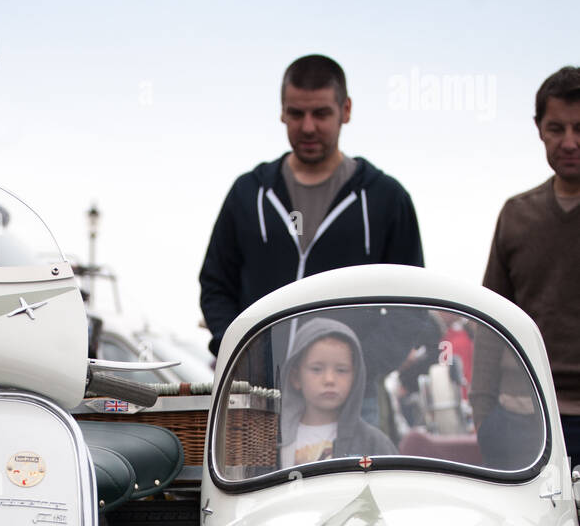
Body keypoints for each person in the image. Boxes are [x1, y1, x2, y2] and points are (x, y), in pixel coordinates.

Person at [199, 54, 424, 358]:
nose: (307, 127)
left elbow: (411, 306)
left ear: (345, 110)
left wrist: (359, 367)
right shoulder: (249, 193)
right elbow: (216, 285)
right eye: (296, 113)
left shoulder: (386, 199)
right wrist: (239, 352)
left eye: (320, 114)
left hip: (355, 400)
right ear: (282, 113)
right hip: (257, 392)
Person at [472, 66, 580, 463]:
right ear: (539, 128)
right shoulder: (517, 216)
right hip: (521, 419)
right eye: (557, 128)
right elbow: (489, 321)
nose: (569, 142)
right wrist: (483, 414)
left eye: (579, 127)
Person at [278, 316, 395, 465]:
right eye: (316, 369)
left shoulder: (374, 442)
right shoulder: (271, 441)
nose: (329, 379)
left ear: (355, 377)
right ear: (295, 377)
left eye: (341, 370)